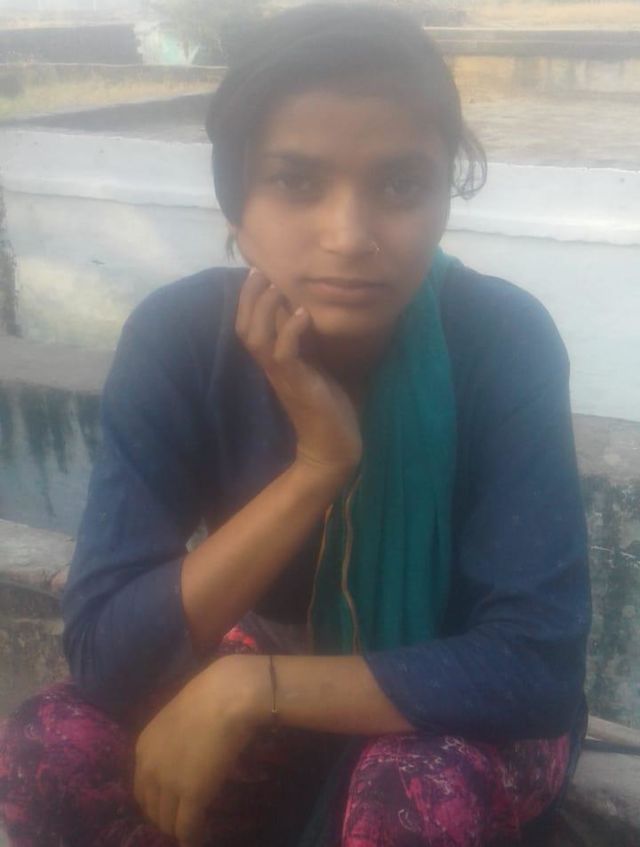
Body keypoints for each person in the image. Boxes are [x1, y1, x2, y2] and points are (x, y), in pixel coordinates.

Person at [0, 5, 590, 846]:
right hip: (274, 657)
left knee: (410, 792)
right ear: (236, 206)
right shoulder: (179, 339)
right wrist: (318, 466)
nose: (350, 236)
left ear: (441, 200)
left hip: (463, 709)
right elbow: (105, 657)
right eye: (297, 181)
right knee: (51, 745)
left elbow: (534, 666)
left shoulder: (501, 339)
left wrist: (253, 688)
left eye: (400, 185)